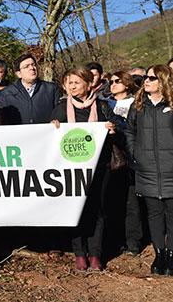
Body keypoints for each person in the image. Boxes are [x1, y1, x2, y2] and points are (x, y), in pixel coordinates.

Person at [51, 66, 115, 271]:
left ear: (88, 84)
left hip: (99, 167)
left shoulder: (103, 107)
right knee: (75, 209)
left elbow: (120, 127)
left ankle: (95, 254)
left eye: (76, 82)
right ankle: (79, 253)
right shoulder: (61, 108)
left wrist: (112, 128)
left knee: (98, 210)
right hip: (70, 170)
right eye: (69, 83)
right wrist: (52, 128)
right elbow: (49, 139)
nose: (72, 86)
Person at [123, 65, 173, 276]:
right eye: (146, 77)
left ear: (163, 81)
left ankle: (172, 256)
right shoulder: (138, 105)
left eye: (151, 77)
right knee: (154, 213)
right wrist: (135, 153)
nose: (146, 81)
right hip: (146, 168)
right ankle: (159, 254)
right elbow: (129, 131)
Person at [105, 71, 143, 256]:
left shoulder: (137, 103)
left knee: (131, 203)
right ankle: (116, 240)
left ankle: (133, 241)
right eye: (111, 81)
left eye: (117, 81)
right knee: (113, 202)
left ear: (127, 84)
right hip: (111, 158)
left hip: (130, 157)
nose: (112, 84)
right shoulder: (105, 103)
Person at [0, 54, 60, 125]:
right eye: (26, 66)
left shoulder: (51, 89)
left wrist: (56, 120)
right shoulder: (7, 93)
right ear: (19, 74)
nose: (32, 68)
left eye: (33, 65)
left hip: (46, 134)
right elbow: (1, 119)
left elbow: (59, 112)